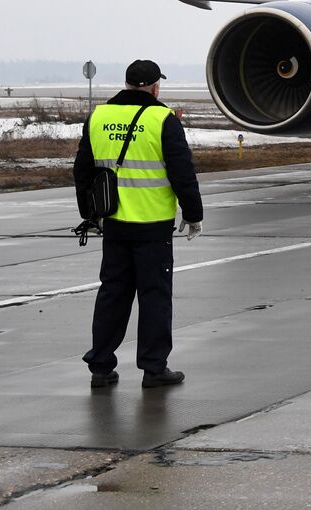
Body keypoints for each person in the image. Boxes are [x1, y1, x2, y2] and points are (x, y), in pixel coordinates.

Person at [73, 59, 203, 390]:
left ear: (129, 83)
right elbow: (182, 173)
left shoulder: (99, 116)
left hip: (114, 224)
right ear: (154, 86)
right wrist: (193, 213)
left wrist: (89, 213)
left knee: (112, 295)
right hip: (152, 226)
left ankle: (100, 366)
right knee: (154, 297)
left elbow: (83, 171)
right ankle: (153, 367)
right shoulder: (163, 119)